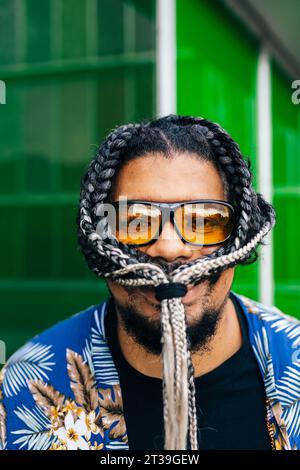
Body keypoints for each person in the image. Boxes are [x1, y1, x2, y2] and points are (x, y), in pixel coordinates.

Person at [1, 114, 300, 451]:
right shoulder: (24, 387)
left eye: (204, 220)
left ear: (240, 234)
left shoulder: (295, 359)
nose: (170, 249)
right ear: (98, 239)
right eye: (135, 221)